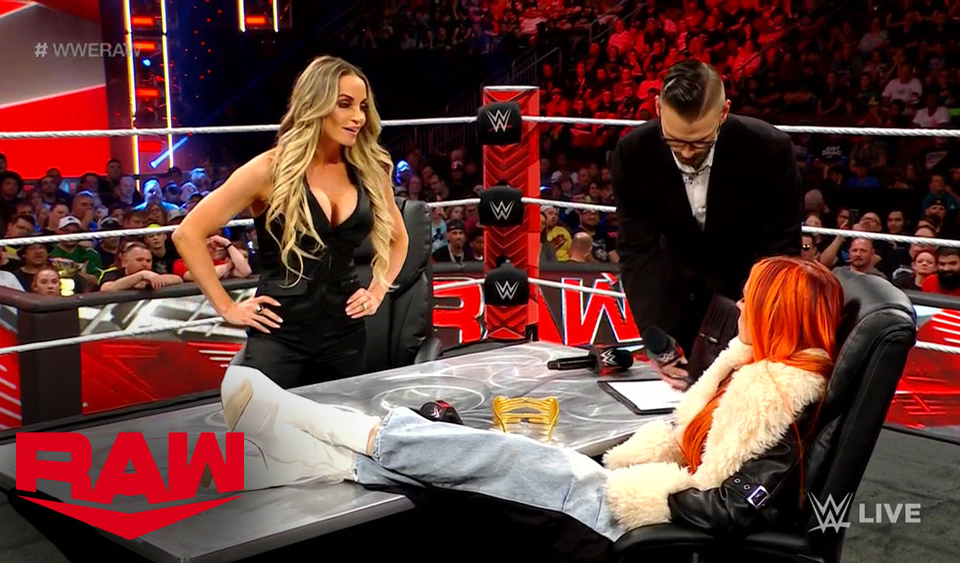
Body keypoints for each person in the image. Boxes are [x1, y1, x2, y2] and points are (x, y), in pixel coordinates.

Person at [216, 257, 842, 552]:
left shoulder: (776, 400)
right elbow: (693, 448)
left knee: (500, 459)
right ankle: (322, 458)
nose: (740, 306)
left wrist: (637, 488)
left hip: (644, 519)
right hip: (640, 495)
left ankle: (324, 426)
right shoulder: (752, 373)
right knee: (486, 464)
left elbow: (732, 508)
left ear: (776, 314)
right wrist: (638, 460)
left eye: (752, 298)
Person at [172, 56, 409, 388]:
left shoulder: (370, 170)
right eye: (345, 104)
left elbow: (399, 238)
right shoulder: (268, 170)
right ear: (316, 104)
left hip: (345, 332)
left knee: (341, 420)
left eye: (363, 106)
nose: (358, 117)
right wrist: (226, 307)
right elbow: (188, 234)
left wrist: (378, 290)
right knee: (267, 420)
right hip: (279, 332)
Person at [612, 60, 802, 390]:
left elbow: (781, 249)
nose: (687, 152)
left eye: (700, 142)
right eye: (674, 141)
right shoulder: (633, 152)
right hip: (676, 300)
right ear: (658, 108)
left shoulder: (769, 149)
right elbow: (636, 250)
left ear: (724, 112)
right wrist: (656, 338)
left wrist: (758, 320)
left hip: (747, 302)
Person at [98, 241, 183, 292]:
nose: (145, 264)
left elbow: (177, 279)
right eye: (139, 260)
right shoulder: (112, 273)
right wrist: (140, 276)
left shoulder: (150, 273)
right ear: (124, 262)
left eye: (148, 261)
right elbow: (106, 288)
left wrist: (149, 281)